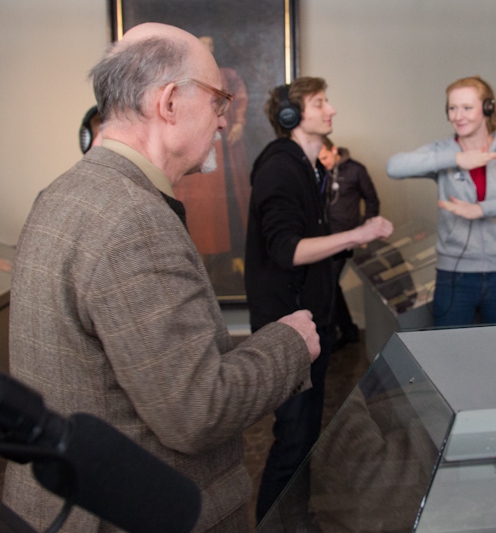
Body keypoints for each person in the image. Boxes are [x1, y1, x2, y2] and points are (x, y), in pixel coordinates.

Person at [5, 23, 321, 532]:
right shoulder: (133, 219)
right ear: (170, 102)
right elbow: (199, 411)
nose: (223, 120)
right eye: (218, 101)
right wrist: (290, 343)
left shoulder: (64, 192)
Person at [246, 77, 393, 521]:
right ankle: (276, 525)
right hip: (288, 329)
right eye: (319, 102)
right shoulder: (280, 168)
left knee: (304, 437)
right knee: (293, 439)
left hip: (312, 322)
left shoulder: (310, 168)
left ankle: (297, 520)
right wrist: (359, 233)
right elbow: (288, 250)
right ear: (291, 116)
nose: (331, 110)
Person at [386, 75, 496, 326]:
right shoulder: (442, 152)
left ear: (487, 108)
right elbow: (394, 167)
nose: (458, 116)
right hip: (453, 276)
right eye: (452, 108)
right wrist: (455, 159)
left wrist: (481, 209)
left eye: (467, 107)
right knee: (449, 347)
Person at [173, 35, 251, 296]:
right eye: (204, 45)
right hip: (201, 153)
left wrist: (238, 123)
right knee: (203, 212)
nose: (209, 49)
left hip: (228, 150)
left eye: (211, 45)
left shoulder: (228, 75)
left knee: (232, 203)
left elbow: (240, 97)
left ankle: (232, 262)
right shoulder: (184, 80)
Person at [318, 136, 381, 349]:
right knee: (328, 285)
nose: (323, 162)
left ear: (334, 150)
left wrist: (366, 230)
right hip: (323, 238)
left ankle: (338, 332)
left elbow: (372, 200)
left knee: (329, 284)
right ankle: (347, 331)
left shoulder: (356, 170)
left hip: (346, 238)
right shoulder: (318, 172)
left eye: (325, 158)